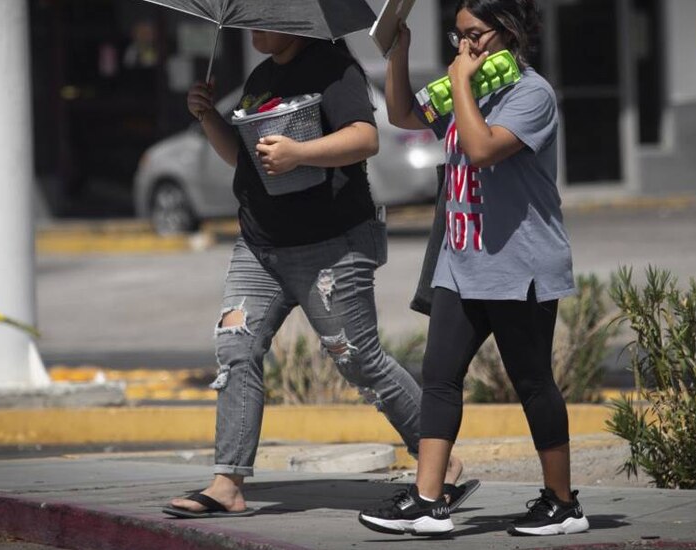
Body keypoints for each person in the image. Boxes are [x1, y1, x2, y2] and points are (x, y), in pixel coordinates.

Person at [162, 30, 470, 519]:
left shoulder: (334, 68)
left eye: (266, 13)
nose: (254, 26)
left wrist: (300, 153)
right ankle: (228, 482)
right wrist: (208, 117)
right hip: (260, 245)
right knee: (236, 348)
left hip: (330, 244)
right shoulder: (261, 78)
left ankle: (441, 461)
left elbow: (365, 139)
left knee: (359, 360)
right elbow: (244, 159)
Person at [358, 0, 590, 537]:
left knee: (532, 382)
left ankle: (563, 504)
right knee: (438, 377)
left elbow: (483, 148)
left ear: (507, 31)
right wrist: (400, 53)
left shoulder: (532, 94)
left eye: (476, 34)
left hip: (520, 264)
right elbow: (401, 115)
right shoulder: (468, 82)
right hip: (461, 261)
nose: (465, 46)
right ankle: (427, 500)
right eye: (457, 35)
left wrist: (462, 81)